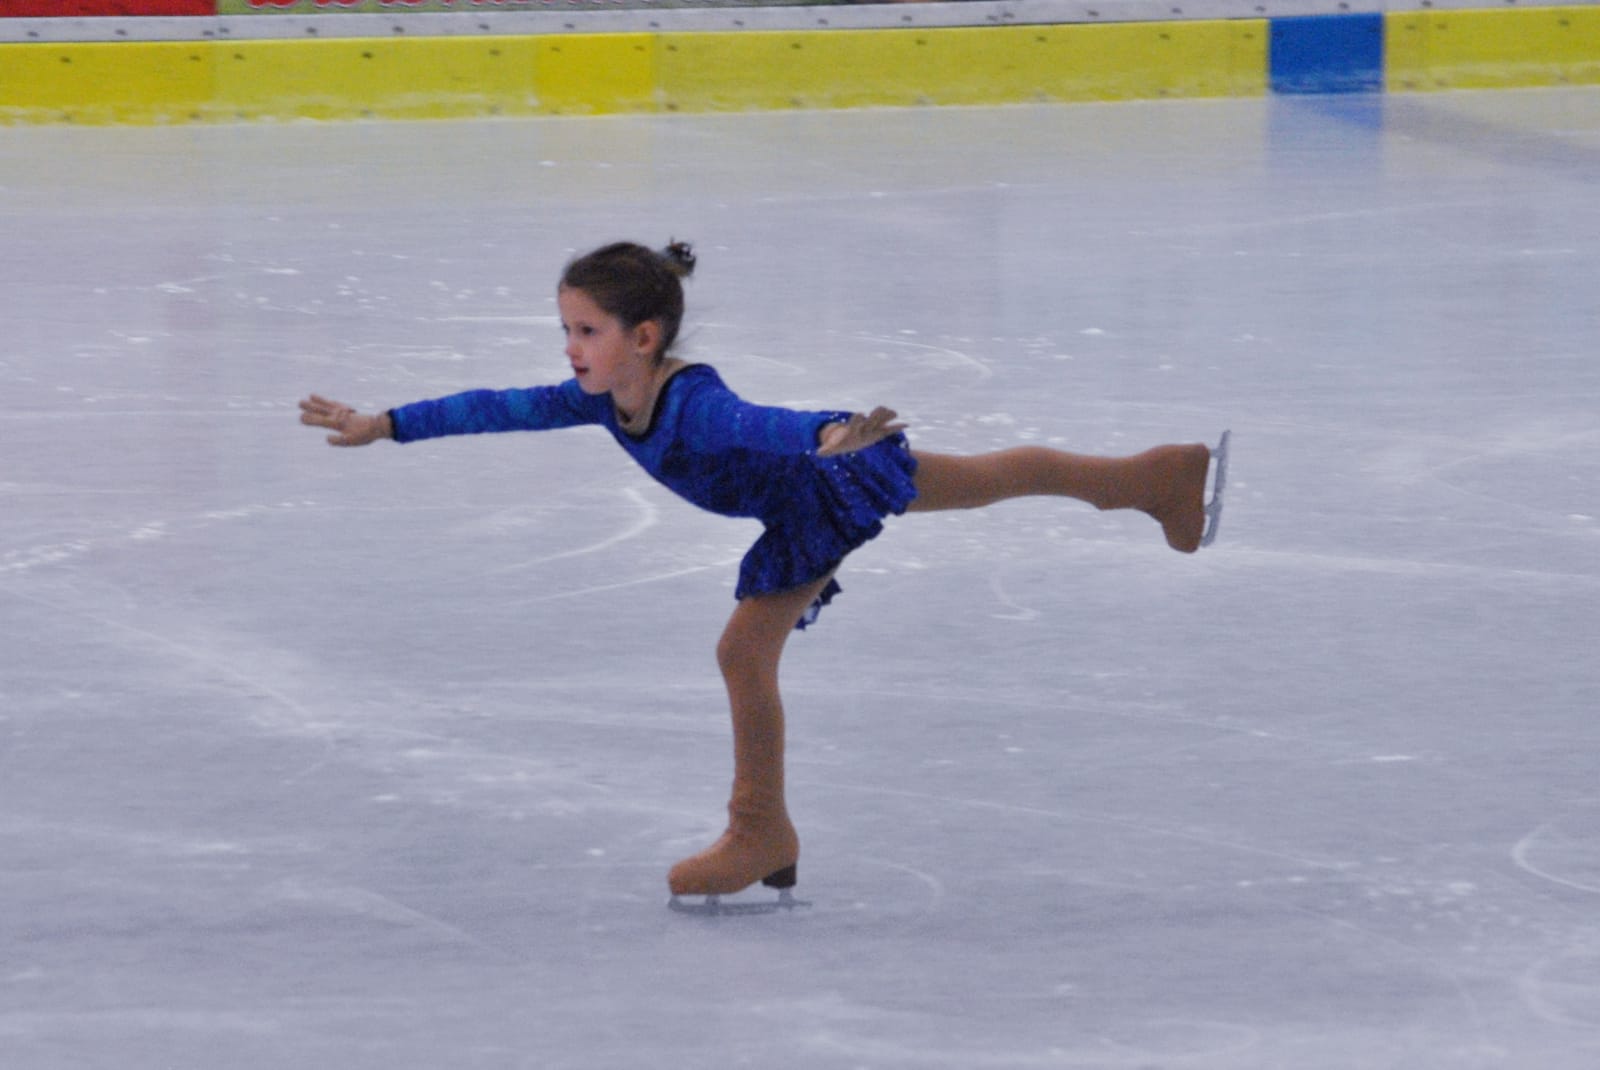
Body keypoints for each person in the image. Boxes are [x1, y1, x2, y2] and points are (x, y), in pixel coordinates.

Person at [298, 239, 1226, 908]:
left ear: (645, 336)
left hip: (822, 487)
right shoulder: (601, 398)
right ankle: (1152, 479)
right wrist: (386, 424)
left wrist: (829, 434)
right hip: (806, 492)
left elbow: (758, 424)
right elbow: (497, 406)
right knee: (988, 479)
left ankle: (760, 831)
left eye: (586, 330)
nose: (570, 347)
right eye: (566, 329)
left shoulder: (693, 405)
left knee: (747, 651)